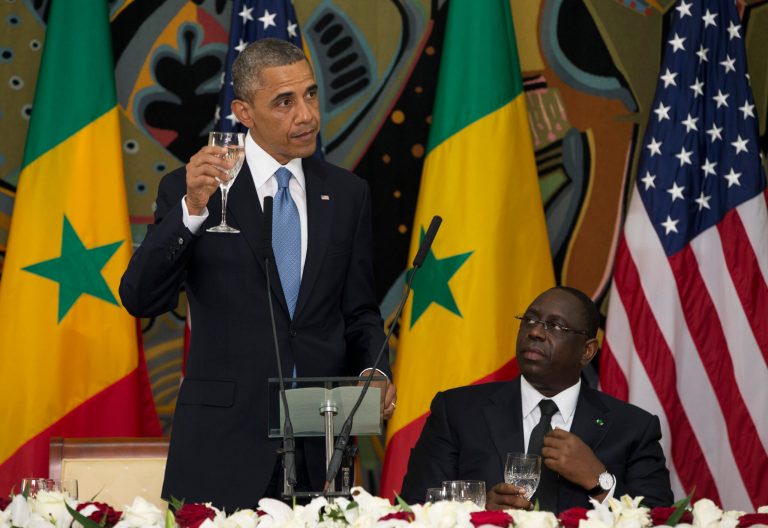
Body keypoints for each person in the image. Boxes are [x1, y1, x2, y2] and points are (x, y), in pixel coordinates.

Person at [120, 38, 396, 511]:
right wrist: (190, 210)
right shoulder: (194, 189)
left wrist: (374, 370)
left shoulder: (348, 194)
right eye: (284, 102)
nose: (306, 115)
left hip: (319, 450)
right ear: (244, 112)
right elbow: (140, 298)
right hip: (220, 446)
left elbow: (360, 311)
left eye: (310, 94)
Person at [400, 286, 672, 512]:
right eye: (529, 320)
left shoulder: (633, 428)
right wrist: (480, 512)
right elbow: (414, 508)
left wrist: (599, 481)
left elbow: (661, 519)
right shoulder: (457, 411)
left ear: (587, 351)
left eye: (555, 326)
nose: (535, 332)